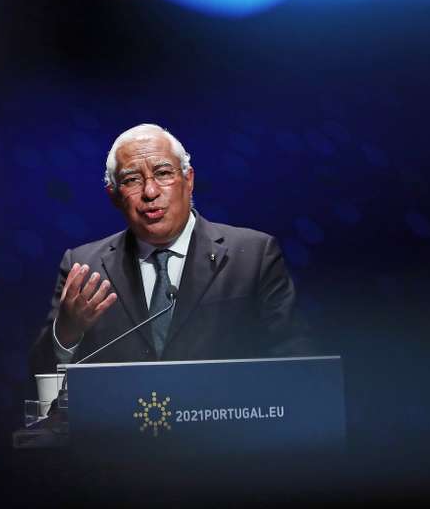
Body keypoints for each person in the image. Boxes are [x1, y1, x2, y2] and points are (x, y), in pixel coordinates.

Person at [29, 124, 312, 375]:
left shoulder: (253, 255)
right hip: (121, 433)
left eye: (163, 173)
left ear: (189, 181)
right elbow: (41, 378)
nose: (150, 192)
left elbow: (294, 360)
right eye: (131, 180)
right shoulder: (84, 267)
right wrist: (67, 332)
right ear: (114, 196)